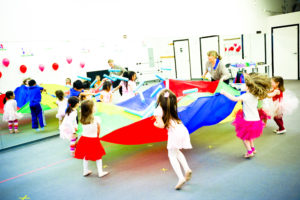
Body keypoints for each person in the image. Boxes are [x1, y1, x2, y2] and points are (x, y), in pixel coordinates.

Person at [221, 73, 271, 158]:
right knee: (250, 136)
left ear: (248, 87)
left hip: (248, 121)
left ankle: (249, 152)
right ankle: (253, 148)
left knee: (245, 138)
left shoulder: (245, 96)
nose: (242, 85)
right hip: (256, 121)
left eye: (244, 84)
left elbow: (234, 99)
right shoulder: (255, 95)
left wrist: (224, 93)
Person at [154, 89, 192, 190]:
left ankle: (180, 178)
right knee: (176, 151)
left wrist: (155, 124)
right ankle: (187, 169)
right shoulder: (172, 106)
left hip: (174, 133)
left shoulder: (158, 110)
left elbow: (161, 125)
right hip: (182, 129)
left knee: (171, 155)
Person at [74, 100, 109, 178]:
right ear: (91, 109)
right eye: (94, 106)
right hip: (93, 139)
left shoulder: (82, 118)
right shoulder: (96, 118)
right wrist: (97, 137)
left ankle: (85, 170)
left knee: (85, 155)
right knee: (98, 156)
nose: (95, 107)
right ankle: (100, 172)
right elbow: (98, 129)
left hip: (84, 139)